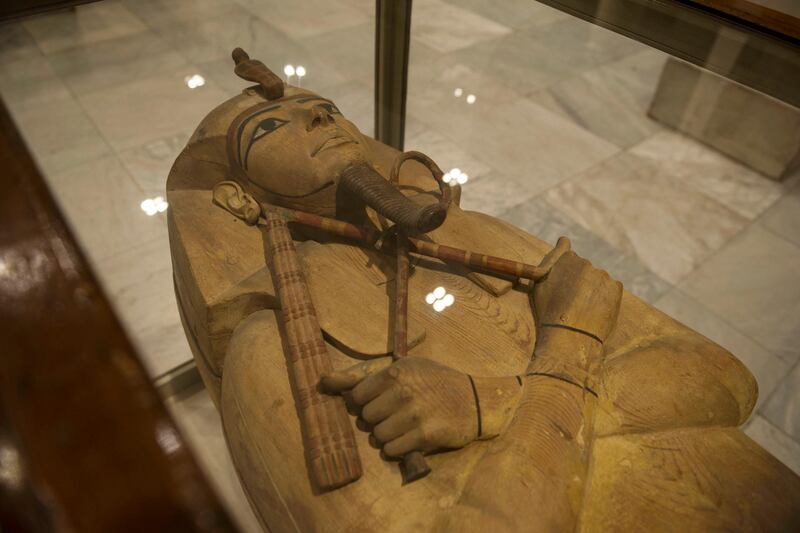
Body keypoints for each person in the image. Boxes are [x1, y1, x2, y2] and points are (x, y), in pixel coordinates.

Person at [168, 50, 800, 532]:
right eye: (270, 128)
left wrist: (490, 404)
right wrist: (580, 343)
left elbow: (726, 381)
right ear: (236, 196)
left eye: (326, 110)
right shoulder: (271, 346)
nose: (316, 116)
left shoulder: (477, 233)